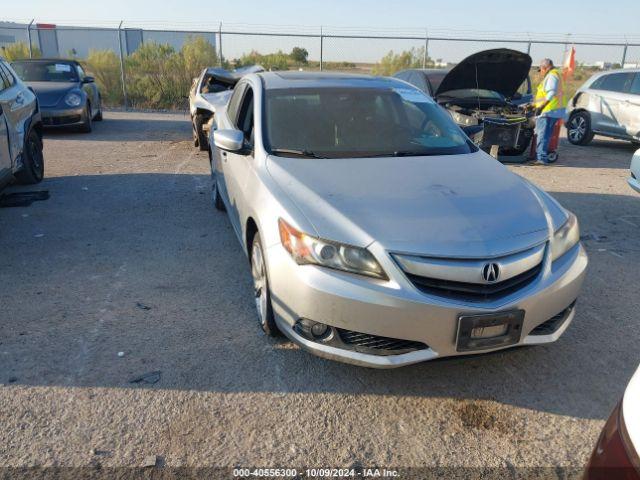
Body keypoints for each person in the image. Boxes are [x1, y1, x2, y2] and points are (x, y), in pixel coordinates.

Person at [529, 59, 565, 165]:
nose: (541, 73)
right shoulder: (557, 75)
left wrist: (540, 108)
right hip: (554, 110)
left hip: (547, 111)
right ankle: (542, 156)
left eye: (541, 70)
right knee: (546, 135)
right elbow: (543, 96)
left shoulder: (551, 76)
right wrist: (533, 105)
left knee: (542, 135)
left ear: (545, 67)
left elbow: (550, 93)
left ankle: (541, 158)